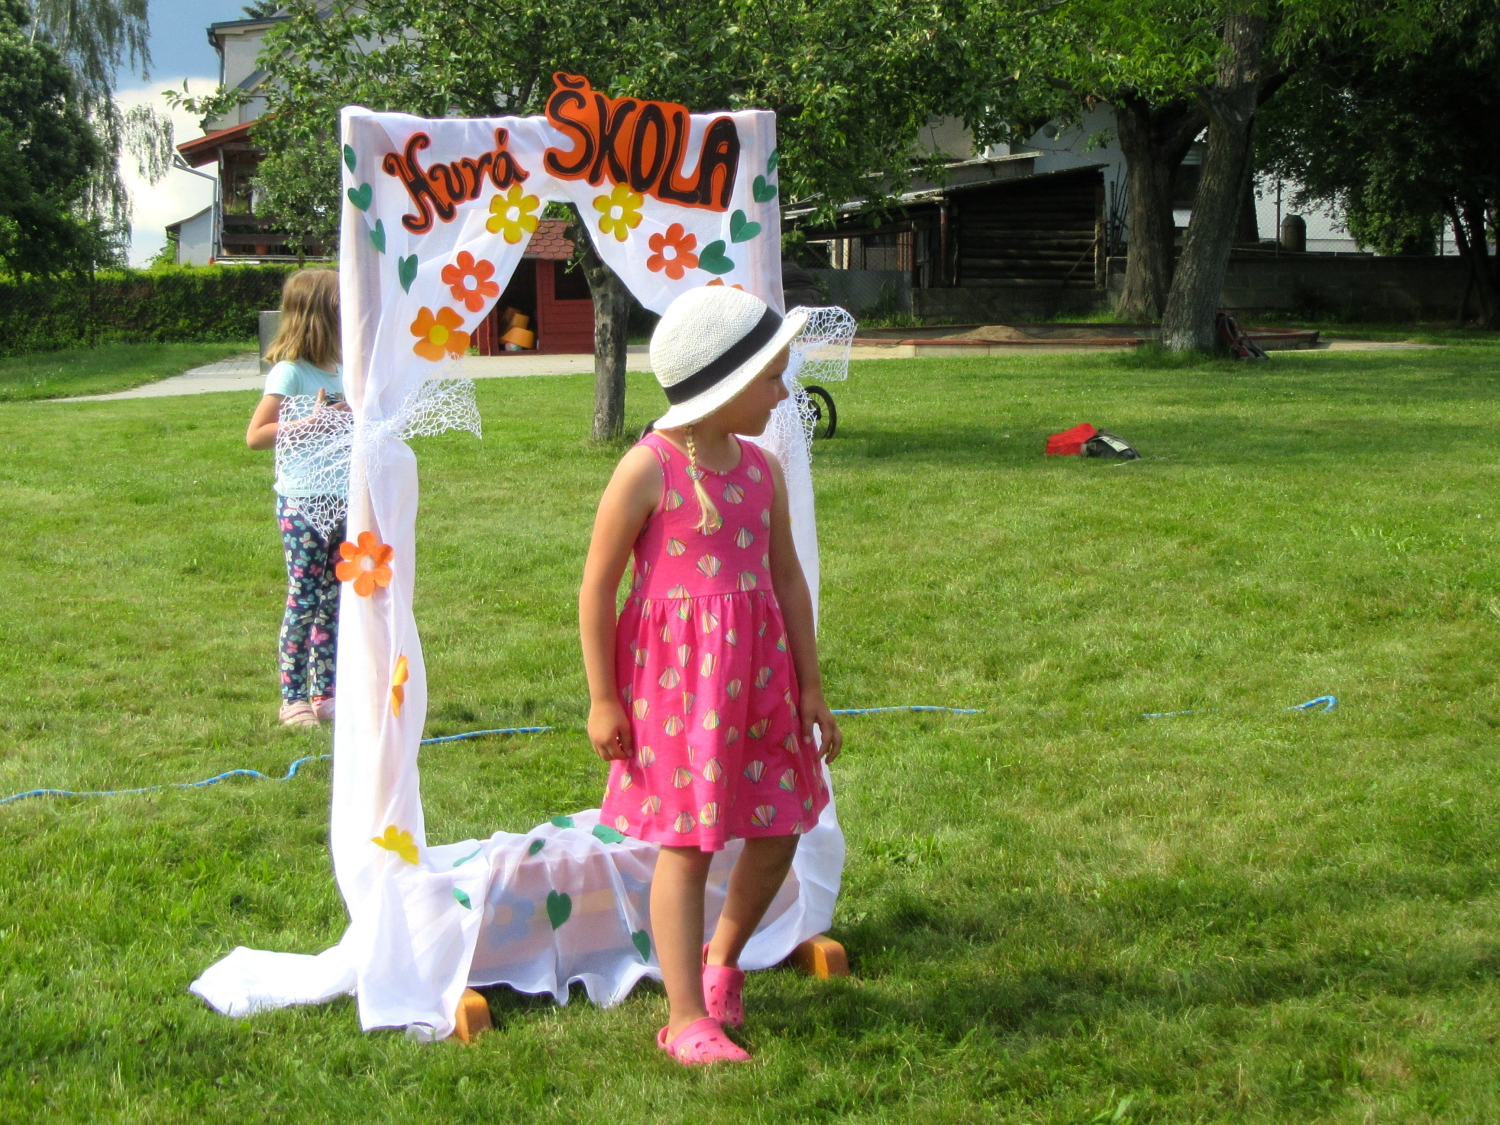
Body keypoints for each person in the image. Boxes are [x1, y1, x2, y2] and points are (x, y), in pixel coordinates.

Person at [579, 286, 842, 1066]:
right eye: (771, 379)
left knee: (781, 824)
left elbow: (787, 579)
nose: (783, 394)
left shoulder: (763, 469)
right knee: (688, 844)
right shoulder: (647, 469)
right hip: (678, 694)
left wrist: (811, 686)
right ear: (725, 383)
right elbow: (597, 586)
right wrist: (602, 696)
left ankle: (722, 959)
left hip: (759, 683)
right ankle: (686, 1015)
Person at [245, 270, 348, 727]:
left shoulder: (344, 369)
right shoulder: (290, 372)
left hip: (345, 499)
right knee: (304, 598)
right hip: (304, 501)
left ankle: (326, 693)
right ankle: (293, 698)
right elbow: (257, 435)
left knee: (335, 599)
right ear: (323, 314)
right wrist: (310, 423)